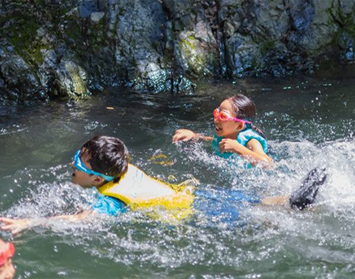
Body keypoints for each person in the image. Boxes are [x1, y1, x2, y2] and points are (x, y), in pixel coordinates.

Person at [0, 136, 326, 235]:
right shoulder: (123, 168)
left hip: (194, 212)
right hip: (194, 193)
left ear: (98, 179)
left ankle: (296, 208)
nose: (72, 166)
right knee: (256, 203)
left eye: (77, 164)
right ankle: (295, 200)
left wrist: (33, 222)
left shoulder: (112, 198)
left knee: (257, 217)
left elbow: (80, 220)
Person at [172, 94, 271, 166]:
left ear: (239, 126)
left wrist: (237, 148)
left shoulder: (251, 142)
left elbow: (268, 163)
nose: (216, 119)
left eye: (223, 116)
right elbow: (212, 140)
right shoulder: (224, 136)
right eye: (216, 113)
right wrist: (194, 135)